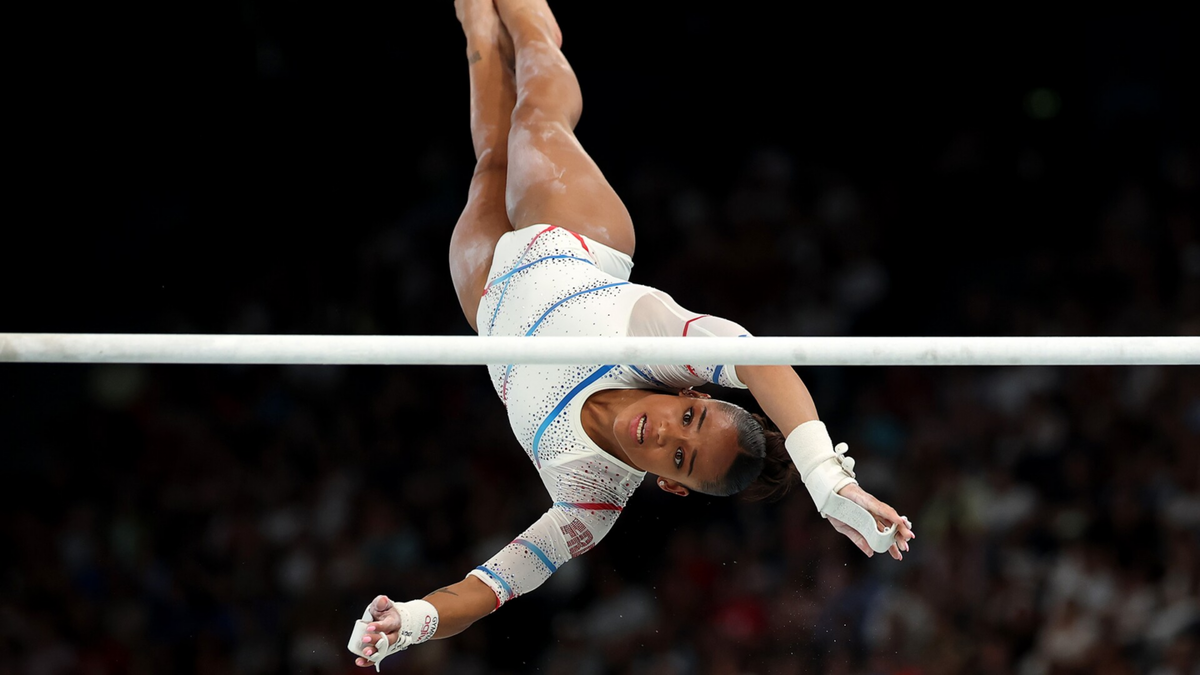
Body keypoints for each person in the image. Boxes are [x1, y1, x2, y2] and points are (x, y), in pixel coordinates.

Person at [348, 0, 915, 668]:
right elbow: (761, 361)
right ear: (692, 395)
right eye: (689, 420)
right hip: (573, 230)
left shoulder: (589, 496)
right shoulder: (661, 346)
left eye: (680, 458)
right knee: (535, 116)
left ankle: (478, 29)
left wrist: (412, 620)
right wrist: (828, 482)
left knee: (491, 155)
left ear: (672, 487)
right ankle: (535, 24)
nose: (669, 433)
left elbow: (495, 583)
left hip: (490, 296)